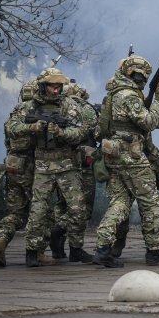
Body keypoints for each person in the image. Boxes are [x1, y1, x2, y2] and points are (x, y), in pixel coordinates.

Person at [92, 56, 159, 268]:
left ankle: (103, 248)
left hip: (115, 156)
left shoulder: (114, 94)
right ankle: (154, 251)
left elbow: (137, 122)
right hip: (132, 157)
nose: (143, 79)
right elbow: (148, 121)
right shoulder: (129, 95)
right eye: (141, 75)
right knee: (151, 202)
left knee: (120, 203)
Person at [5, 68, 90, 267]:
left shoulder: (69, 105)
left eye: (59, 86)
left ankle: (76, 249)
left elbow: (81, 131)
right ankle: (32, 252)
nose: (56, 91)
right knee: (38, 210)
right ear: (43, 86)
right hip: (42, 164)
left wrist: (62, 133)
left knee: (78, 208)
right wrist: (31, 128)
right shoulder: (29, 107)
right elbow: (11, 127)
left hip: (66, 164)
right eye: (53, 86)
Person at [0, 81, 56, 267]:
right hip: (30, 167)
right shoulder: (36, 114)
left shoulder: (14, 114)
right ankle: (40, 251)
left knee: (16, 213)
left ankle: (0, 242)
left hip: (12, 165)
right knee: (43, 210)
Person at [49, 81, 98, 260]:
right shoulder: (85, 109)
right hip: (82, 164)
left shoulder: (56, 107)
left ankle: (58, 248)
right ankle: (68, 239)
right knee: (82, 207)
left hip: (60, 163)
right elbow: (97, 132)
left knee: (62, 204)